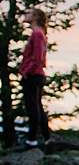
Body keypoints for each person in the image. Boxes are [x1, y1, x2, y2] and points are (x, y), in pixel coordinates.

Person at [19, 8, 51, 148]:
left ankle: (31, 139)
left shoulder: (37, 34)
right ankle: (47, 137)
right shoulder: (40, 34)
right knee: (37, 106)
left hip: (33, 75)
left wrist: (25, 71)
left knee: (32, 107)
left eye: (29, 13)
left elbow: (37, 58)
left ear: (35, 17)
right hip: (37, 74)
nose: (25, 15)